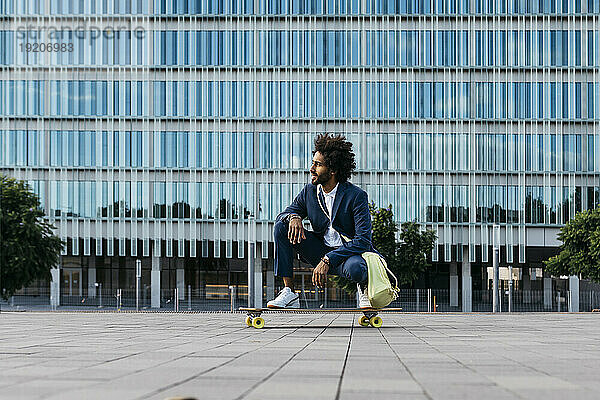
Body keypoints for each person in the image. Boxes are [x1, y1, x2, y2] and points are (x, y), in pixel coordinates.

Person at [267, 133, 374, 309]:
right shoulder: (310, 192)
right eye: (313, 163)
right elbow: (283, 215)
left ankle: (363, 289)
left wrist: (328, 259)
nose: (311, 168)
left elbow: (363, 240)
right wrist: (294, 217)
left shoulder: (356, 196)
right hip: (318, 250)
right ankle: (289, 292)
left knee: (357, 269)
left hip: (346, 256)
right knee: (281, 227)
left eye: (317, 164)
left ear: (333, 170)